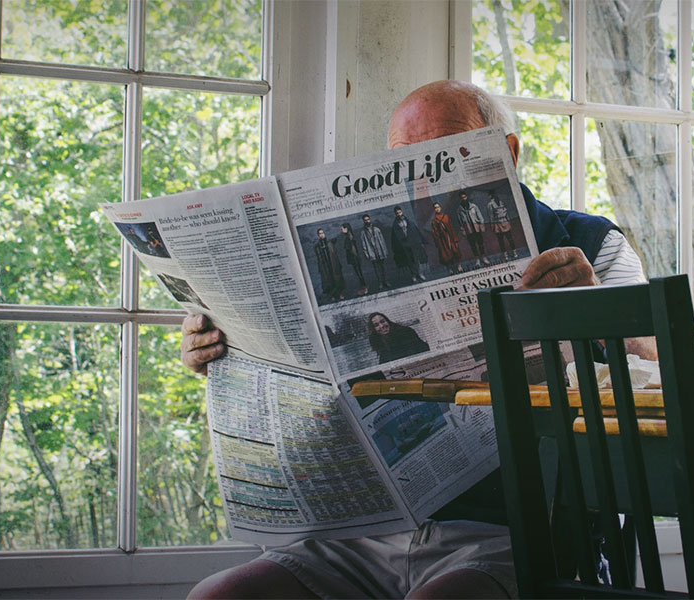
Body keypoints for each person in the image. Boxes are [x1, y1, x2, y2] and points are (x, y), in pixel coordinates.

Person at [183, 80, 658, 599]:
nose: (426, 177)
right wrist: (222, 345)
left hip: (517, 532)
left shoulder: (589, 243)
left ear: (508, 150)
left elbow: (655, 373)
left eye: (444, 154)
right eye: (405, 161)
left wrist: (591, 307)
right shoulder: (382, 252)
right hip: (362, 532)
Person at [390, 205, 427, 283]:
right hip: (404, 245)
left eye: (400, 212)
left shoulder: (408, 221)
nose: (399, 214)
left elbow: (415, 231)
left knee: (416, 259)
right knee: (409, 261)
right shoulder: (395, 225)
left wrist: (420, 241)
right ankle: (413, 275)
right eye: (397, 213)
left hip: (412, 243)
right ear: (395, 214)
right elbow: (395, 238)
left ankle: (420, 274)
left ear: (402, 212)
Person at [456, 191, 491, 268]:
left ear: (467, 197)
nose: (464, 199)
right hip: (468, 230)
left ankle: (484, 258)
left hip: (476, 228)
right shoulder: (459, 210)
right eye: (462, 198)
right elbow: (460, 221)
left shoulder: (474, 206)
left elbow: (480, 216)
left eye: (465, 197)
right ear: (460, 199)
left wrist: (481, 224)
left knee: (480, 243)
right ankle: (477, 260)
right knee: (473, 245)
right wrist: (463, 229)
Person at [313, 228, 345, 302]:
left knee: (337, 278)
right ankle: (332, 295)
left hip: (333, 264)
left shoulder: (330, 243)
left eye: (322, 233)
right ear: (318, 235)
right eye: (320, 233)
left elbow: (335, 254)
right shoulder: (317, 246)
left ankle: (340, 294)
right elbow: (319, 258)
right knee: (328, 280)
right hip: (325, 266)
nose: (321, 235)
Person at [359, 213, 390, 290]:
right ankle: (380, 282)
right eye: (365, 220)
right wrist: (367, 254)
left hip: (380, 251)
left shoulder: (376, 229)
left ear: (370, 219)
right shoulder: (363, 232)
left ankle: (386, 281)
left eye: (368, 219)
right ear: (363, 221)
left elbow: (382, 241)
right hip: (372, 252)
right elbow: (364, 245)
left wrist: (385, 250)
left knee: (383, 267)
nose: (367, 221)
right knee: (376, 269)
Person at [431, 201, 463, 275]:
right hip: (442, 240)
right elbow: (434, 232)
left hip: (450, 237)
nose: (437, 209)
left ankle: (459, 266)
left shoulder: (446, 217)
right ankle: (449, 269)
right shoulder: (434, 220)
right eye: (435, 208)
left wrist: (455, 239)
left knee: (455, 251)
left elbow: (451, 228)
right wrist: (438, 242)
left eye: (438, 207)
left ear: (440, 208)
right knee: (445, 254)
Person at [486, 189, 518, 261]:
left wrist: (492, 225)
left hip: (497, 223)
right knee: (510, 239)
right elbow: (506, 214)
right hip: (505, 221)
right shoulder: (501, 202)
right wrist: (508, 221)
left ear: (490, 196)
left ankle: (506, 256)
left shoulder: (490, 204)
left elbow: (491, 216)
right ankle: (514, 253)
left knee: (501, 240)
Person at [340, 222, 368, 295]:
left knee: (359, 273)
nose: (341, 230)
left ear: (346, 228)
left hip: (354, 258)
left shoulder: (349, 236)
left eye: (342, 229)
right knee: (358, 273)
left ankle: (364, 288)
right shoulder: (348, 236)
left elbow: (352, 248)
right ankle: (363, 287)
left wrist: (355, 258)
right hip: (354, 258)